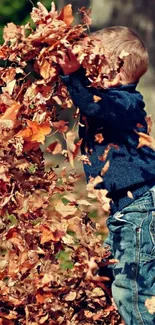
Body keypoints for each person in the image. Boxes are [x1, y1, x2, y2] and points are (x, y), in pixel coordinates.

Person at [59, 26, 155, 325]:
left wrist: (72, 76)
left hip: (138, 209)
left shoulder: (125, 103)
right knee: (109, 271)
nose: (86, 73)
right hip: (128, 209)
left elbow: (91, 105)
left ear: (112, 73)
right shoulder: (113, 102)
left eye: (91, 66)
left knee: (133, 292)